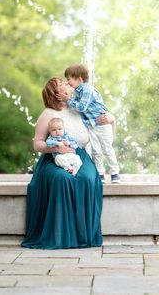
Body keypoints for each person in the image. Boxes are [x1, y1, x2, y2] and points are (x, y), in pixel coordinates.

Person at [21, 77, 111, 249]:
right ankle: (60, 236)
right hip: (54, 158)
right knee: (62, 179)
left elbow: (101, 113)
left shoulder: (78, 107)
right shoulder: (48, 114)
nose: (68, 85)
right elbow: (37, 143)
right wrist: (56, 149)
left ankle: (83, 236)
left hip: (81, 157)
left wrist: (107, 118)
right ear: (56, 94)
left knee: (86, 178)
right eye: (63, 84)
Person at [60, 64, 120, 184]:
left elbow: (82, 107)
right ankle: (100, 173)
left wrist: (68, 100)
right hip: (92, 125)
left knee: (107, 149)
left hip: (102, 124)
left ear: (79, 79)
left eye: (69, 79)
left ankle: (115, 173)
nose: (68, 82)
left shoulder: (87, 90)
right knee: (96, 151)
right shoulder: (78, 91)